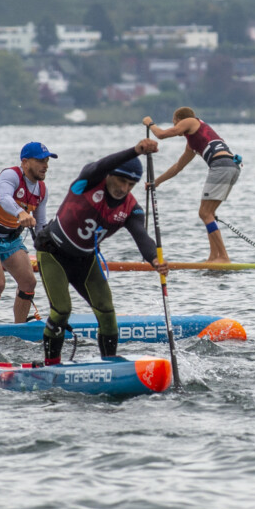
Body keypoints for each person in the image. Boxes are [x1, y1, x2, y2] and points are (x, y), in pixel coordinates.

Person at [33, 139, 167, 363]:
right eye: (121, 180)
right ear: (109, 175)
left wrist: (155, 259)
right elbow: (99, 165)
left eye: (130, 185)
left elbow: (142, 238)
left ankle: (111, 365)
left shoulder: (131, 208)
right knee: (62, 310)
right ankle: (51, 365)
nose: (123, 189)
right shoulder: (88, 181)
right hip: (52, 252)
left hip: (85, 259)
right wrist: (135, 150)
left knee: (106, 311)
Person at [0, 141, 56, 325]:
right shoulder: (11, 175)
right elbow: (4, 198)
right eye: (40, 161)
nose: (45, 165)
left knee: (29, 283)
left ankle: (20, 327)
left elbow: (40, 225)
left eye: (47, 160)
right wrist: (21, 212)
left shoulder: (41, 190)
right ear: (25, 162)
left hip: (11, 238)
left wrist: (50, 251)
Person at [142, 107, 241, 263]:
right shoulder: (192, 143)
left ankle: (223, 257)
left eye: (174, 123)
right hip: (232, 167)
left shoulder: (191, 121)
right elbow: (177, 167)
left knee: (205, 213)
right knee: (208, 214)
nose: (176, 127)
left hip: (221, 166)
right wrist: (156, 183)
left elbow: (161, 135)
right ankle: (214, 257)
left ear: (179, 120)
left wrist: (150, 124)